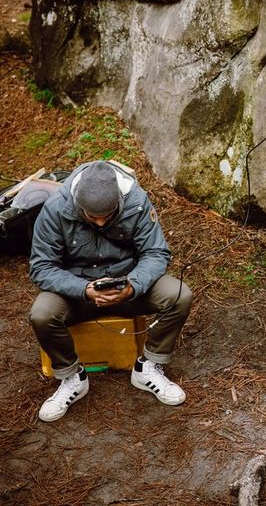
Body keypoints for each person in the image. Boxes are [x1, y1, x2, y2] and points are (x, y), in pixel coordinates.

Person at [29, 159, 192, 422]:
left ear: (118, 200)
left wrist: (134, 285)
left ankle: (148, 367)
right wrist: (83, 289)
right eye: (93, 217)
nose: (102, 223)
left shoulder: (137, 201)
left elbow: (156, 252)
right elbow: (41, 267)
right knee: (42, 314)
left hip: (127, 287)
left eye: (109, 215)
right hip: (78, 293)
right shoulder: (55, 209)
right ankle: (72, 377)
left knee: (179, 295)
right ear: (79, 206)